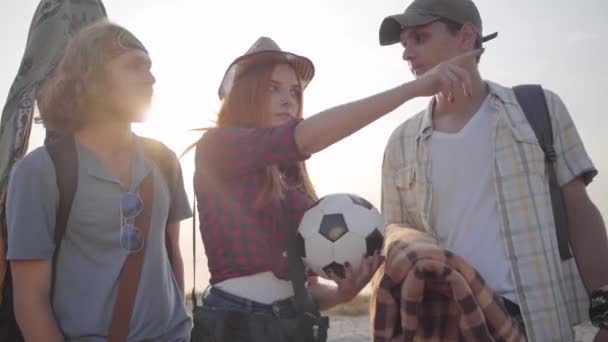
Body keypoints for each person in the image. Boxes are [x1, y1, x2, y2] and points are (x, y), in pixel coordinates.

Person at [192, 36, 480, 341]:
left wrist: (344, 293)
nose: (289, 99)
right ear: (245, 95)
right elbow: (306, 138)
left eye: (294, 91)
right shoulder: (216, 146)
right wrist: (415, 89)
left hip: (293, 325)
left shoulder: (291, 175)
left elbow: (308, 289)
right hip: (236, 324)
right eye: (272, 88)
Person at [378, 0, 608, 340]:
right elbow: (396, 247)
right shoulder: (400, 143)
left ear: (467, 36)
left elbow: (580, 212)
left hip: (538, 325)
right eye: (404, 44)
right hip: (449, 328)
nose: (407, 54)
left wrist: (606, 318)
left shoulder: (539, 110)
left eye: (420, 38)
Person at [6, 20, 192, 341]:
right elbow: (30, 302)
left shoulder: (164, 160)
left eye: (149, 67)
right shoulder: (40, 172)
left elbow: (171, 254)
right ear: (92, 77)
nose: (151, 78)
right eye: (135, 66)